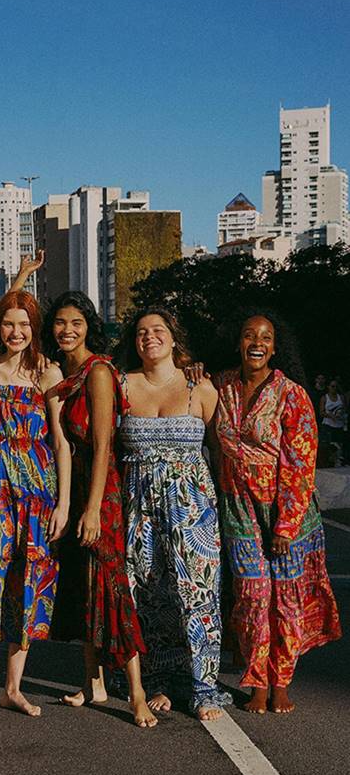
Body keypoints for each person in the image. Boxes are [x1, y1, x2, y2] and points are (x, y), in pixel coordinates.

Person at [212, 311, 341, 713]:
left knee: (285, 598)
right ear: (237, 342)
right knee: (251, 595)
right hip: (238, 507)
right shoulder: (221, 386)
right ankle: (257, 681)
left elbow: (301, 463)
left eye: (265, 337)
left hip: (287, 512)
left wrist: (285, 524)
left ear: (274, 345)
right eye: (249, 334)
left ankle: (281, 679)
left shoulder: (291, 394)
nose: (256, 342)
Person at [0, 290, 71, 733]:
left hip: (38, 488)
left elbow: (60, 442)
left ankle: (13, 687)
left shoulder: (48, 373)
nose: (16, 333)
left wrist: (63, 502)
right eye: (9, 324)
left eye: (24, 325)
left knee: (30, 583)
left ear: (34, 329)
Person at [42, 293, 156, 728]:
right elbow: (64, 444)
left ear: (89, 326)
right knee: (83, 582)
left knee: (110, 583)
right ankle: (94, 683)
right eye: (59, 323)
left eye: (76, 322)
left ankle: (138, 694)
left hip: (102, 488)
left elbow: (105, 443)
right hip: (75, 483)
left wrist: (91, 509)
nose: (67, 330)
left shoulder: (99, 371)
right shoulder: (64, 373)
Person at [115, 307, 231, 720]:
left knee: (197, 591)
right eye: (142, 332)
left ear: (173, 337)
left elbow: (220, 451)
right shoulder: (121, 385)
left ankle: (204, 685)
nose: (150, 337)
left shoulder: (200, 386)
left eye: (158, 330)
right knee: (147, 590)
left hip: (192, 506)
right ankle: (158, 678)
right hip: (138, 503)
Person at [319, 378, 347, 465]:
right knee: (329, 444)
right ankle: (329, 461)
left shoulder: (341, 397)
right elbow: (321, 412)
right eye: (332, 386)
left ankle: (339, 460)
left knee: (340, 444)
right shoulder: (324, 398)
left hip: (339, 424)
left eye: (336, 386)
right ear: (328, 387)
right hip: (328, 424)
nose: (334, 388)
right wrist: (330, 416)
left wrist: (341, 414)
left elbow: (345, 408)